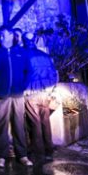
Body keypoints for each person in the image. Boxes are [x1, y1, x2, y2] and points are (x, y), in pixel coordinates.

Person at [0, 26, 31, 168]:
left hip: (17, 95)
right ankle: (0, 156)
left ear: (11, 36)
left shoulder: (21, 52)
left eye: (3, 35)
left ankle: (22, 155)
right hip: (0, 95)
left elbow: (29, 71)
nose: (0, 38)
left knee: (19, 125)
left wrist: (23, 86)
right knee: (0, 125)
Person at [23, 31, 59, 163]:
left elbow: (24, 74)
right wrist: (51, 91)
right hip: (46, 93)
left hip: (31, 93)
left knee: (35, 123)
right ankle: (49, 148)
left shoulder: (24, 55)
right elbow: (54, 74)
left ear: (24, 40)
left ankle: (38, 151)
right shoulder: (45, 55)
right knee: (45, 121)